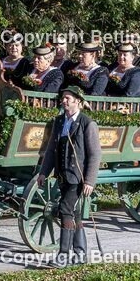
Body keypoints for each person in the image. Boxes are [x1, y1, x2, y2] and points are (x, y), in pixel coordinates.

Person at [37, 86, 101, 267]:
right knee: (75, 213)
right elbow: (51, 149)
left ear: (78, 101)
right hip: (62, 175)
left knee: (65, 210)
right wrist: (43, 172)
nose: (64, 101)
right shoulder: (59, 121)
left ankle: (63, 256)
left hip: (78, 177)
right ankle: (80, 254)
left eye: (68, 98)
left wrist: (89, 181)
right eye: (63, 98)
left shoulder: (87, 123)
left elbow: (95, 154)